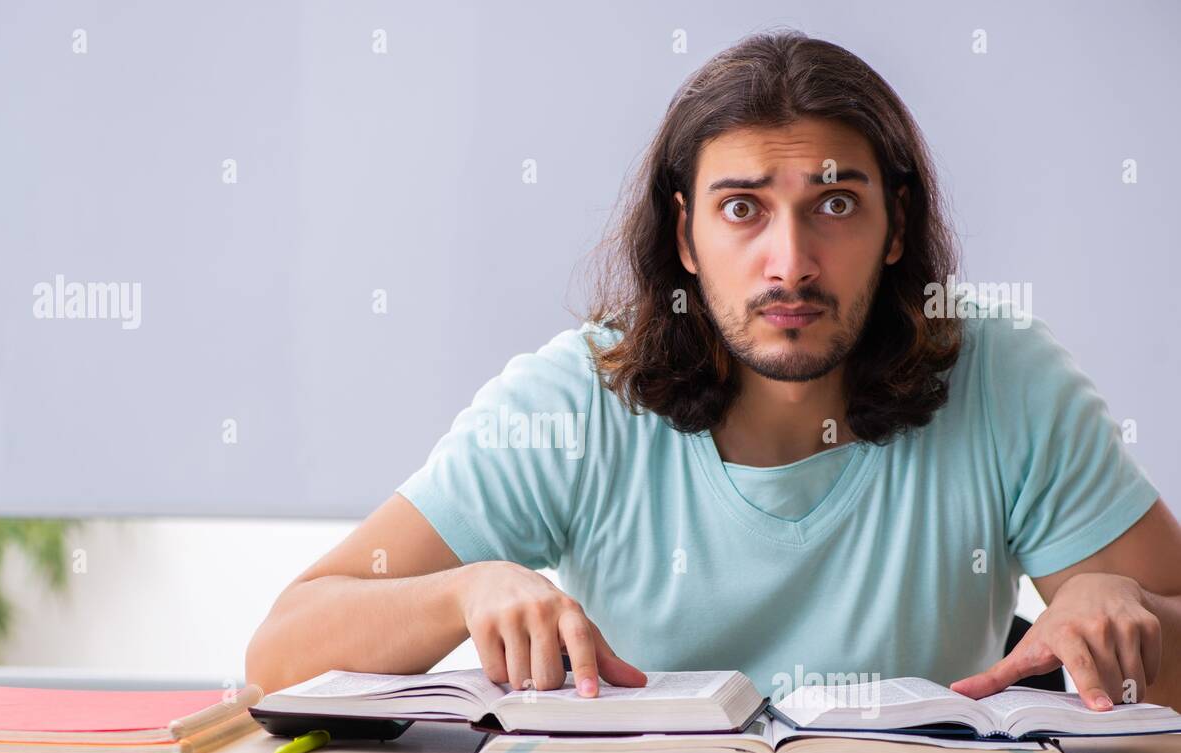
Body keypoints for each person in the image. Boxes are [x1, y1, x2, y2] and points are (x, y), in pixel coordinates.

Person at [247, 30, 1181, 711]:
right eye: (742, 209)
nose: (790, 263)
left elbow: (1164, 644)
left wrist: (1126, 609)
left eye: (835, 204)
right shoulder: (577, 398)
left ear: (896, 226)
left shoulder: (1004, 377)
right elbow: (283, 648)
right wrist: (464, 590)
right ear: (684, 234)